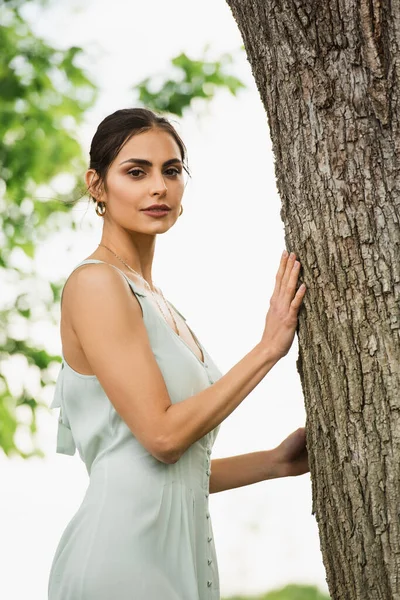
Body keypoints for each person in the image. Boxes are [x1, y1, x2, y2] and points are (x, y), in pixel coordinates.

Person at [48, 107, 308, 600]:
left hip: (177, 558)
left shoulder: (157, 300)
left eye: (171, 171)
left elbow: (175, 474)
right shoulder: (96, 284)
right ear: (97, 186)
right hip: (122, 562)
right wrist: (270, 347)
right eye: (135, 171)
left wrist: (275, 461)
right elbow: (164, 438)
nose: (159, 187)